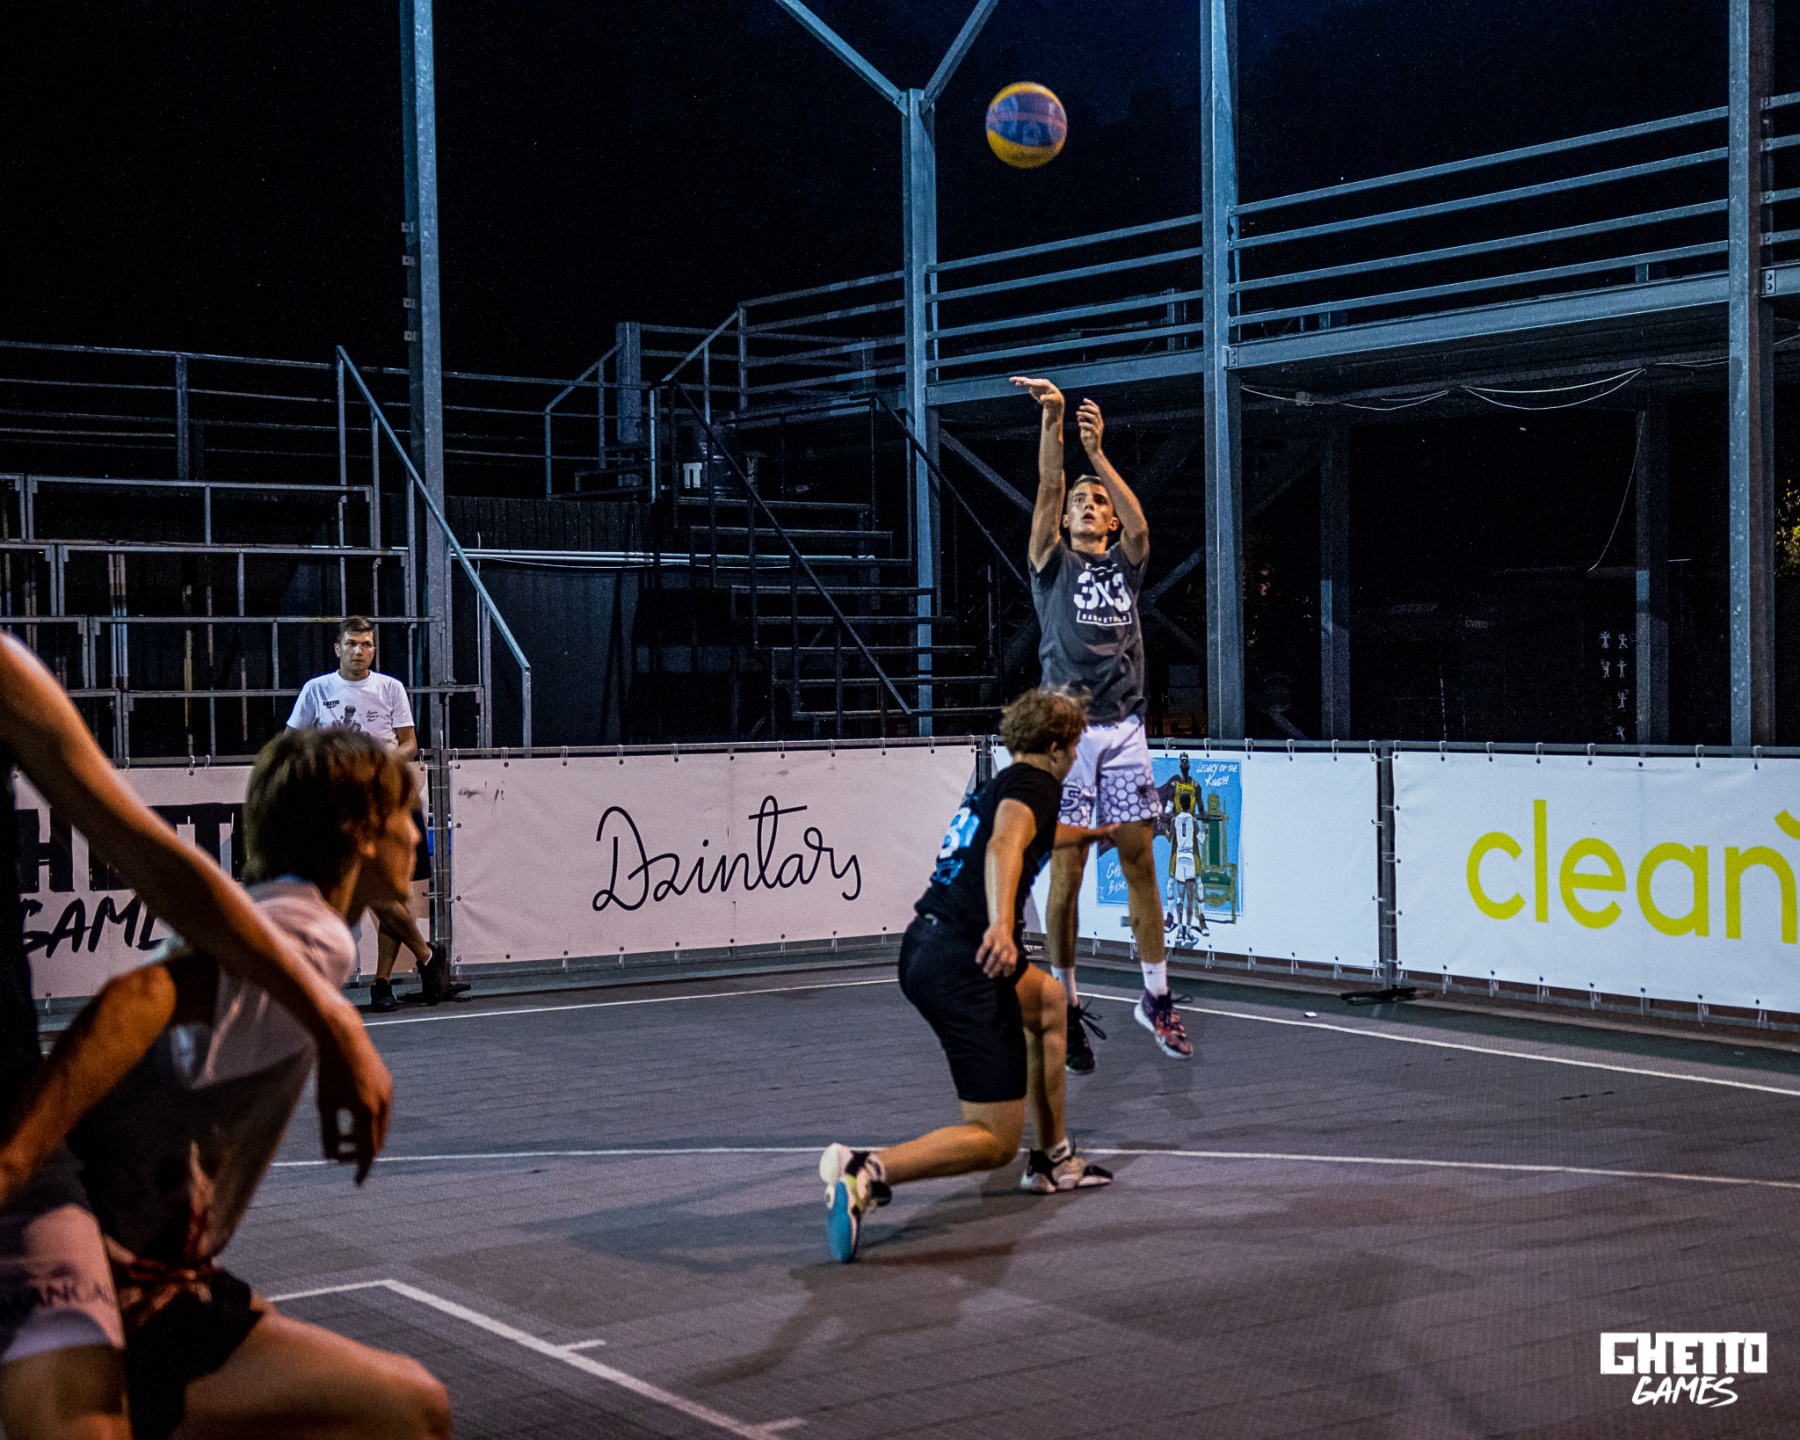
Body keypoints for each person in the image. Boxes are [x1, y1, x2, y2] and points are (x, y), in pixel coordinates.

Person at [0, 728, 450, 1440]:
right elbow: (136, 998)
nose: (418, 835)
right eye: (408, 817)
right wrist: (14, 1159)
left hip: (154, 1263)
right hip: (125, 1275)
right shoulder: (311, 935)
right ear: (361, 831)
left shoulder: (262, 912)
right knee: (409, 1411)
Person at [818, 690, 1115, 1264]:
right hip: (966, 959)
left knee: (1049, 1001)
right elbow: (1005, 844)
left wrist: (1091, 836)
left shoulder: (1002, 784)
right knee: (994, 1141)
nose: (1077, 756)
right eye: (1076, 745)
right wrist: (1002, 926)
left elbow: (1025, 834)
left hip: (928, 944)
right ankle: (865, 1170)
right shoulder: (1037, 784)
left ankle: (1053, 1160)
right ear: (1057, 746)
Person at [1012, 375, 1192, 1068]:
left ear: (1108, 520)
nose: (1087, 506)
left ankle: (1156, 996)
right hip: (1066, 737)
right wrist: (1054, 421)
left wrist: (1099, 456)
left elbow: (1142, 528)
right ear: (1066, 523)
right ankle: (1067, 1001)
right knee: (1069, 875)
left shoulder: (1125, 563)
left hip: (1123, 731)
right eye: (1080, 503)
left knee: (1142, 859)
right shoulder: (1050, 564)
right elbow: (1049, 488)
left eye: (1098, 503)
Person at [287, 615, 466, 1011]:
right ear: (338, 648)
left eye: (366, 644)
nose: (359, 651)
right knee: (365, 888)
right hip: (339, 806)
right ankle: (428, 957)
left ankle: (382, 983)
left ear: (374, 649)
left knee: (392, 892)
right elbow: (291, 744)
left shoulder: (390, 688)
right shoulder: (317, 689)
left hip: (387, 799)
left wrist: (377, 764)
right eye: (352, 643)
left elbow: (409, 744)